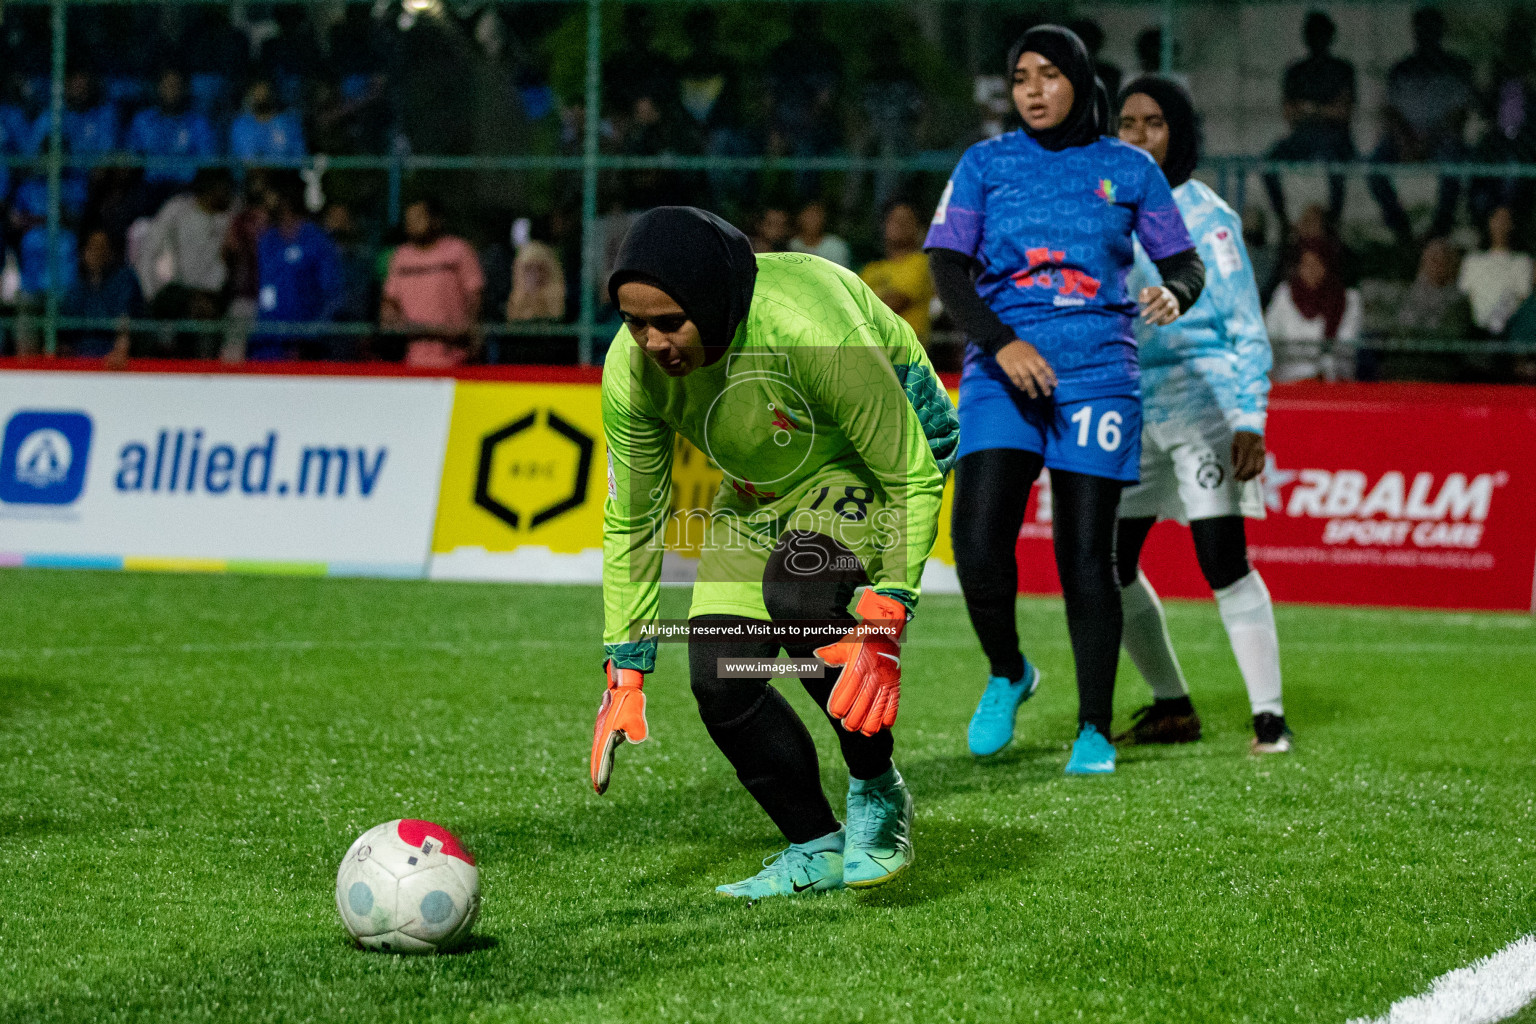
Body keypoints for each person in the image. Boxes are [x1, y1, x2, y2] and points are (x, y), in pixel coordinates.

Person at [595, 206, 957, 898]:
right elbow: (635, 518)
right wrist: (627, 665)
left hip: (862, 463)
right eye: (635, 323)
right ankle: (814, 845)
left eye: (670, 322)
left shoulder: (809, 327)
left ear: (713, 300)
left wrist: (889, 614)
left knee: (800, 599)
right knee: (721, 676)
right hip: (758, 491)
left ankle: (878, 789)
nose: (652, 343)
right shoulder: (630, 372)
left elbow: (910, 470)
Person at [925, 26, 1203, 774]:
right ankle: (1010, 671)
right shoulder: (984, 164)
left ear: (1079, 81)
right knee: (978, 546)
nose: (1035, 91)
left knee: (1087, 556)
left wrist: (1174, 293)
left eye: (1050, 75)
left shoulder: (1129, 169)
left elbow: (1184, 262)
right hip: (1001, 371)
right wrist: (1002, 340)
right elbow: (947, 269)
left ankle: (1093, 729)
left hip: (1097, 376)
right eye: (1021, 79)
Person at [1115, 77, 1291, 754]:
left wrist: (1251, 417)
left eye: (1154, 123)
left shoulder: (1206, 216)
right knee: (1110, 564)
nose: (1139, 136)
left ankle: (1270, 721)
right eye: (1127, 124)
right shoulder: (1110, 212)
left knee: (1222, 562)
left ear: (1178, 132)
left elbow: (1246, 326)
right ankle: (1172, 707)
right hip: (1131, 409)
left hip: (1203, 405)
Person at [1367, 8, 1475, 247]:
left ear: (1440, 33)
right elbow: (1390, 110)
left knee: (1455, 162)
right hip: (1403, 137)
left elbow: (1459, 114)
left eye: (1431, 29)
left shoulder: (1456, 67)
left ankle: (1440, 229)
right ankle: (1401, 229)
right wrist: (1406, 139)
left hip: (1443, 138)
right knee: (1374, 168)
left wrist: (1429, 140)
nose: (1425, 35)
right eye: (1420, 30)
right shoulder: (1401, 69)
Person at [1264, 12, 1356, 230]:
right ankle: (1285, 223)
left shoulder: (1342, 69)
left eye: (1321, 34)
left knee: (1335, 164)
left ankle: (1332, 224)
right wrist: (1324, 110)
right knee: (1269, 163)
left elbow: (1343, 112)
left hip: (1335, 139)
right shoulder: (1296, 71)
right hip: (1302, 138)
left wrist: (1310, 109)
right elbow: (1290, 113)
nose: (1317, 40)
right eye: (1313, 34)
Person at [134, 167, 235, 357]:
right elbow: (149, 251)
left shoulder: (229, 218)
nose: (229, 194)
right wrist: (150, 293)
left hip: (214, 296)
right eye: (224, 188)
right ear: (209, 189)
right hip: (178, 293)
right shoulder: (178, 209)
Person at [381, 197, 484, 368]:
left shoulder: (458, 251)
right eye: (409, 220)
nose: (412, 224)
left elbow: (475, 296)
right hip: (412, 358)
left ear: (436, 220)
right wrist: (394, 325)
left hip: (455, 357)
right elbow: (389, 301)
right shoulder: (401, 257)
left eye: (418, 218)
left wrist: (467, 331)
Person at [250, 172, 341, 361]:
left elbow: (332, 294)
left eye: (269, 194)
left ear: (285, 198)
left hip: (303, 350)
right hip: (264, 347)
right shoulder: (267, 241)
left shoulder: (316, 241)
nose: (264, 201)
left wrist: (311, 336)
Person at [1264, 238, 1362, 382]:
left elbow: (1347, 348)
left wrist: (1320, 373)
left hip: (1332, 386)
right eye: (1305, 265)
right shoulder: (1283, 295)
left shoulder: (1349, 299)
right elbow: (1268, 338)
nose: (1311, 270)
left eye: (1317, 264)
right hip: (1288, 384)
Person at [125, 69, 220, 201]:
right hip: (150, 188)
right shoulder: (143, 121)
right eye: (167, 85)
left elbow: (207, 164)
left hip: (185, 190)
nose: (172, 91)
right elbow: (131, 159)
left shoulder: (199, 123)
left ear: (185, 89)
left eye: (176, 86)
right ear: (158, 88)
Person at [60, 226, 142, 364]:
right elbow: (67, 325)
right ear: (84, 252)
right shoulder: (77, 285)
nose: (97, 253)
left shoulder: (124, 279)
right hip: (80, 354)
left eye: (102, 247)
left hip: (111, 353)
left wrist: (121, 348)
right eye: (92, 248)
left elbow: (125, 318)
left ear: (110, 251)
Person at [860, 200, 934, 346]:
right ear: (883, 226)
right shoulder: (871, 269)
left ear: (918, 229)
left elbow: (892, 304)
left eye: (906, 220)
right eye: (893, 219)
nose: (899, 224)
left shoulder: (920, 263)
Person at [1457, 207, 1532, 337]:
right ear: (1490, 222)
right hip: (1477, 331)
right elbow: (1465, 294)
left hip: (1510, 332)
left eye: (1506, 220)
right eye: (1497, 219)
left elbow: (1523, 296)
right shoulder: (1472, 260)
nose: (1501, 224)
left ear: (1512, 225)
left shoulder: (1523, 262)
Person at [504, 240, 569, 364]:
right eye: (529, 269)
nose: (535, 275)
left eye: (540, 268)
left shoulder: (563, 307)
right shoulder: (512, 303)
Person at [230, 79, 307, 161]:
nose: (261, 97)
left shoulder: (289, 124)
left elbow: (300, 157)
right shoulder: (241, 126)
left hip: (283, 173)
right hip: (249, 173)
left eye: (264, 93)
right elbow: (236, 160)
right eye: (257, 93)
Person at [789, 200, 851, 268]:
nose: (813, 220)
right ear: (800, 217)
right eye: (809, 215)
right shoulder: (792, 244)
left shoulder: (836, 246)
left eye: (817, 216)